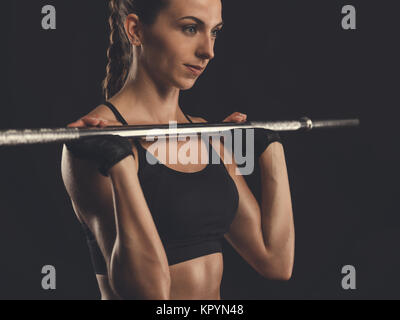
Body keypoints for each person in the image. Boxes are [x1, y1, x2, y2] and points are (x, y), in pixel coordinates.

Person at [61, 0, 294, 300]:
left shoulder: (207, 135)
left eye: (214, 32)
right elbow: (150, 294)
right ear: (135, 30)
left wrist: (271, 147)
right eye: (190, 28)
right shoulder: (94, 144)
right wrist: (119, 165)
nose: (208, 51)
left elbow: (275, 261)